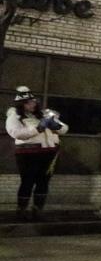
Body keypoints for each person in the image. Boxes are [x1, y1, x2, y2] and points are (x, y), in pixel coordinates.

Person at [6, 86, 66, 220]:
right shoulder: (14, 117)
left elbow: (64, 128)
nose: (32, 104)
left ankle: (38, 210)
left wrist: (58, 127)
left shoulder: (44, 114)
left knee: (43, 182)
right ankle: (21, 210)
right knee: (27, 181)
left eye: (33, 102)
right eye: (28, 102)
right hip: (28, 153)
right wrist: (38, 129)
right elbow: (16, 133)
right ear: (21, 104)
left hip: (49, 152)